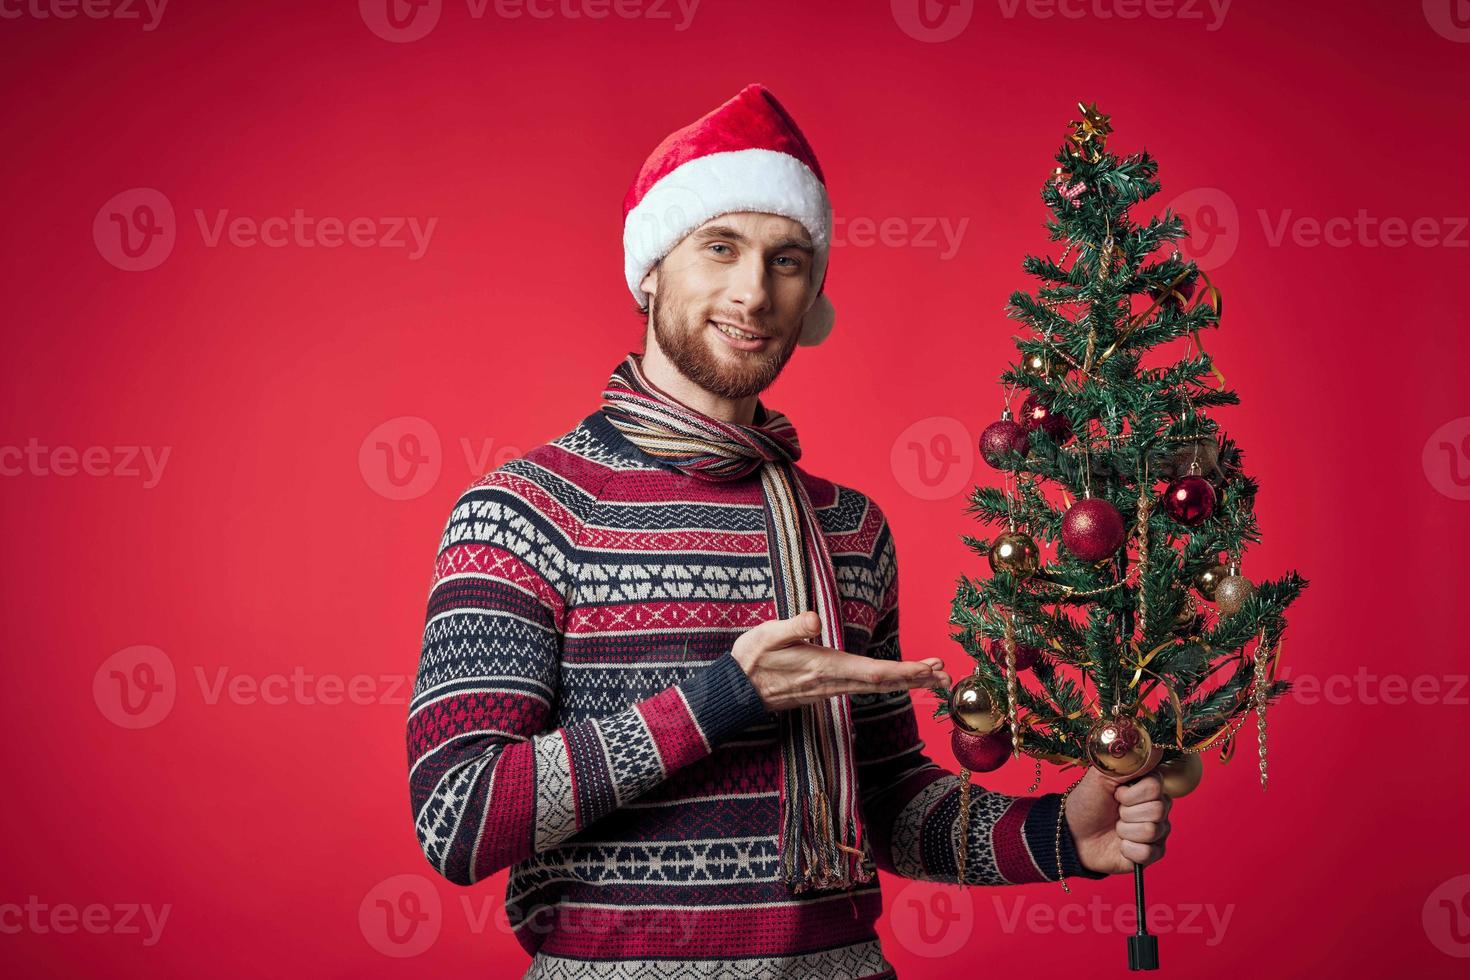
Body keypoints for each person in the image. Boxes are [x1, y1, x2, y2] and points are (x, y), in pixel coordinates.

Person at [406, 82, 1173, 979]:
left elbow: (881, 800)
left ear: (812, 293)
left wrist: (1055, 834)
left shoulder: (847, 529)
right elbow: (456, 818)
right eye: (719, 248)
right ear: (653, 267)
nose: (752, 292)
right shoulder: (525, 510)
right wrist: (725, 696)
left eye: (787, 259)